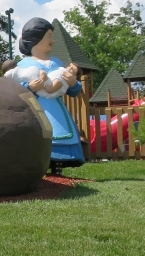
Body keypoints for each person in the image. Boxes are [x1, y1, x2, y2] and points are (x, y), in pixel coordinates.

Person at [5, 18, 85, 170]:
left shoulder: (57, 63)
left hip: (56, 109)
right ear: (37, 37)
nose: (53, 41)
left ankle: (58, 164)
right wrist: (29, 86)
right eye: (49, 36)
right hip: (35, 108)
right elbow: (13, 89)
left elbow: (72, 90)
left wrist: (73, 83)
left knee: (59, 133)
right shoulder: (23, 65)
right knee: (36, 136)